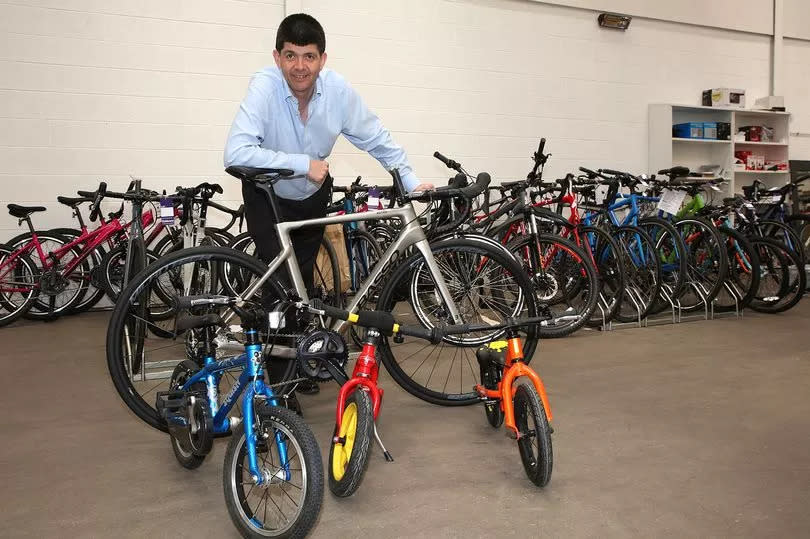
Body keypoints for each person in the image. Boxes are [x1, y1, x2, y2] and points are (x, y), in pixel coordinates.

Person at [224, 13, 433, 401]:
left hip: (311, 198)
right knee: (282, 287)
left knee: (303, 285)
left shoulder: (337, 91)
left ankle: (295, 360)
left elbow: (376, 136)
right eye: (290, 56)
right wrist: (303, 163)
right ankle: (279, 390)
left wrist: (408, 179)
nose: (299, 66)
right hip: (266, 196)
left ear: (322, 59)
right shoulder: (264, 88)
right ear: (277, 56)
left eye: (308, 56)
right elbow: (236, 151)